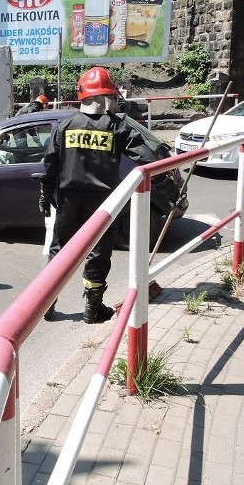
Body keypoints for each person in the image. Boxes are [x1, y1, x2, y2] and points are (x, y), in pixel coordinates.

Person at [39, 66, 157, 324]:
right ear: (108, 98)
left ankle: (46, 304)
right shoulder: (117, 127)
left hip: (68, 200)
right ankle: (93, 309)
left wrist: (46, 194)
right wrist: (169, 171)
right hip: (102, 204)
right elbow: (147, 157)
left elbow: (50, 164)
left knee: (59, 253)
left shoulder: (65, 125)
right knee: (98, 254)